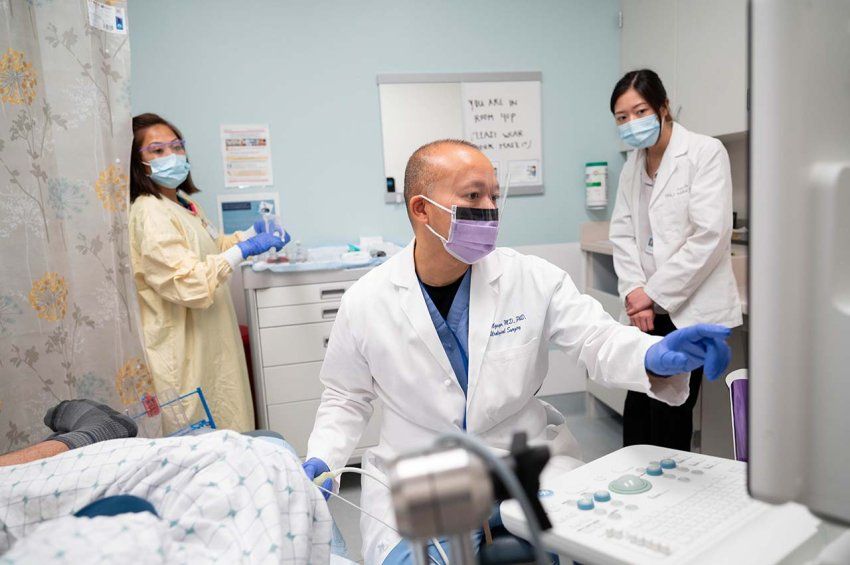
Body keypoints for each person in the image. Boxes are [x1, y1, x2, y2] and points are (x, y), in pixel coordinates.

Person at [300, 139, 732, 563]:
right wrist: (324, 457)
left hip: (522, 464)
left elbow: (596, 338)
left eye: (493, 195)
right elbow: (346, 395)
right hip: (420, 476)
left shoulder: (531, 278)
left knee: (579, 550)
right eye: (473, 195)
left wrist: (651, 356)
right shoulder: (367, 300)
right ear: (421, 209)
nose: (489, 208)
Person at [608, 70, 743, 451]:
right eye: (622, 117)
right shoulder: (632, 166)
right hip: (644, 310)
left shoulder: (704, 152)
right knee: (637, 409)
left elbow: (709, 236)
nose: (632, 123)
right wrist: (635, 293)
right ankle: (635, 497)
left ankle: (669, 504)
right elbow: (622, 233)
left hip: (686, 307)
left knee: (671, 413)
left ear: (664, 107)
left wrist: (652, 293)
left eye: (640, 111)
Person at [129, 113, 287, 432]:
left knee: (227, 427)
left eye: (176, 146)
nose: (171, 155)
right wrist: (244, 250)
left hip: (211, 341)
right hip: (184, 353)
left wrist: (247, 236)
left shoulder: (184, 204)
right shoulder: (149, 212)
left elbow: (212, 248)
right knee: (199, 445)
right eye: (157, 150)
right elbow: (190, 283)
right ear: (137, 161)